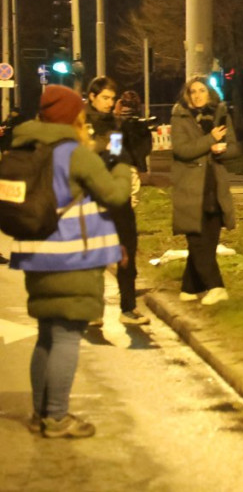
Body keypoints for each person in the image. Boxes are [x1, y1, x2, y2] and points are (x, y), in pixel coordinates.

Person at [8, 85, 131, 437]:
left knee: (47, 335)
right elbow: (115, 194)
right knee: (66, 337)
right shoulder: (75, 153)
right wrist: (122, 165)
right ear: (72, 115)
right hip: (73, 257)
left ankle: (40, 412)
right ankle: (57, 417)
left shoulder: (26, 147)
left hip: (36, 255)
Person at [85, 76, 149, 326]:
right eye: (105, 98)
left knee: (127, 251)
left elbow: (118, 155)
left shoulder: (116, 123)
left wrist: (138, 136)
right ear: (92, 97)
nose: (109, 103)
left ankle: (128, 308)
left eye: (112, 99)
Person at [170, 75, 239, 305]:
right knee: (197, 240)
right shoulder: (180, 116)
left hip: (214, 186)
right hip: (191, 188)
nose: (198, 95)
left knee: (208, 240)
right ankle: (216, 286)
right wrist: (210, 140)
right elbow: (182, 150)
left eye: (202, 90)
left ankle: (190, 287)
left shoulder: (221, 114)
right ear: (187, 95)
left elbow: (234, 148)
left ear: (210, 93)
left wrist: (223, 150)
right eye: (193, 91)